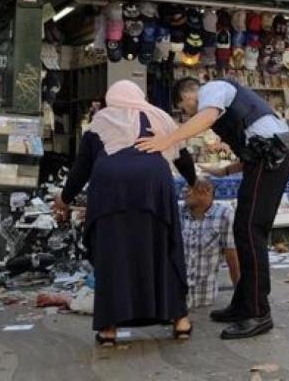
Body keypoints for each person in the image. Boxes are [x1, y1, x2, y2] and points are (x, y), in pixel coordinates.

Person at [137, 78, 289, 339]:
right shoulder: (227, 105)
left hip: (271, 159)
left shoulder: (212, 90)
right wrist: (227, 170)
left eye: (184, 108)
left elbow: (209, 116)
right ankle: (244, 304)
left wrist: (168, 139)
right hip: (266, 157)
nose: (188, 114)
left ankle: (257, 312)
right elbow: (254, 142)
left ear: (188, 95)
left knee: (250, 229)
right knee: (244, 230)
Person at [54, 80, 192, 345]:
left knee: (113, 256)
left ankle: (108, 329)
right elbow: (183, 157)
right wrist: (195, 182)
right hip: (154, 188)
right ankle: (180, 321)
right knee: (162, 250)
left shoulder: (100, 121)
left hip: (110, 190)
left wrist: (64, 199)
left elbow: (81, 168)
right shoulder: (158, 116)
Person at [181, 177, 240, 309]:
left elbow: (232, 258)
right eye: (185, 188)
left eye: (190, 188)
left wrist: (240, 297)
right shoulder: (178, 212)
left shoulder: (224, 215)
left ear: (207, 191)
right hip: (175, 297)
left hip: (203, 298)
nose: (185, 192)